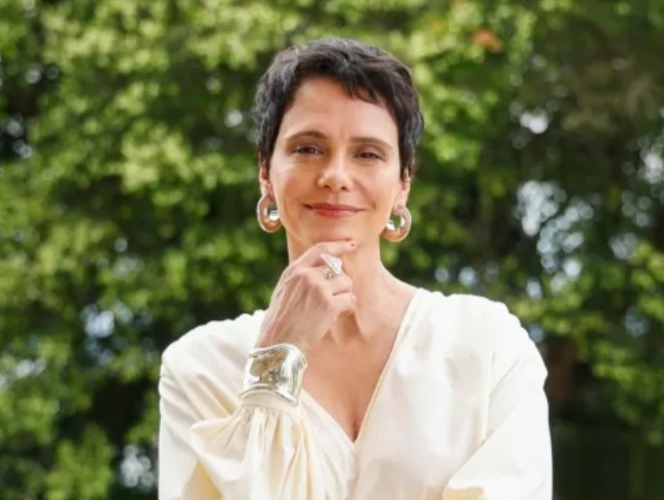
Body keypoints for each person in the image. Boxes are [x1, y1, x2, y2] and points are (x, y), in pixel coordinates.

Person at [158, 37, 552, 500]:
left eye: (368, 154)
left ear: (402, 184)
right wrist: (276, 358)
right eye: (308, 148)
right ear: (265, 171)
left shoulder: (488, 349)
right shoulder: (200, 369)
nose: (336, 176)